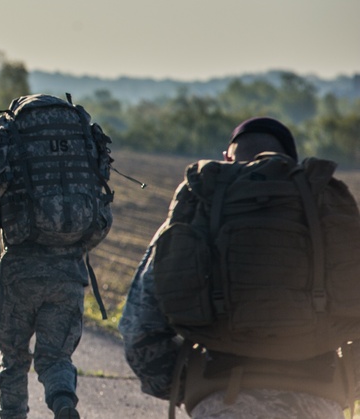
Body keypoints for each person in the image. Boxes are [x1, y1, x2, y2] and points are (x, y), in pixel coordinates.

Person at [119, 117, 360, 418]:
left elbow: (139, 328)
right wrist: (345, 389)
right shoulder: (324, 206)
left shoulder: (200, 205)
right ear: (291, 163)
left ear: (227, 159)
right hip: (319, 402)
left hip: (222, 402)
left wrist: (185, 388)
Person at [0, 94, 114, 419]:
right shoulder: (81, 138)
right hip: (69, 270)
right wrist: (74, 249)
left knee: (13, 359)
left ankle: (12, 415)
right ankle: (63, 401)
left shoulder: (11, 134)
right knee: (56, 357)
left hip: (19, 270)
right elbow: (100, 213)